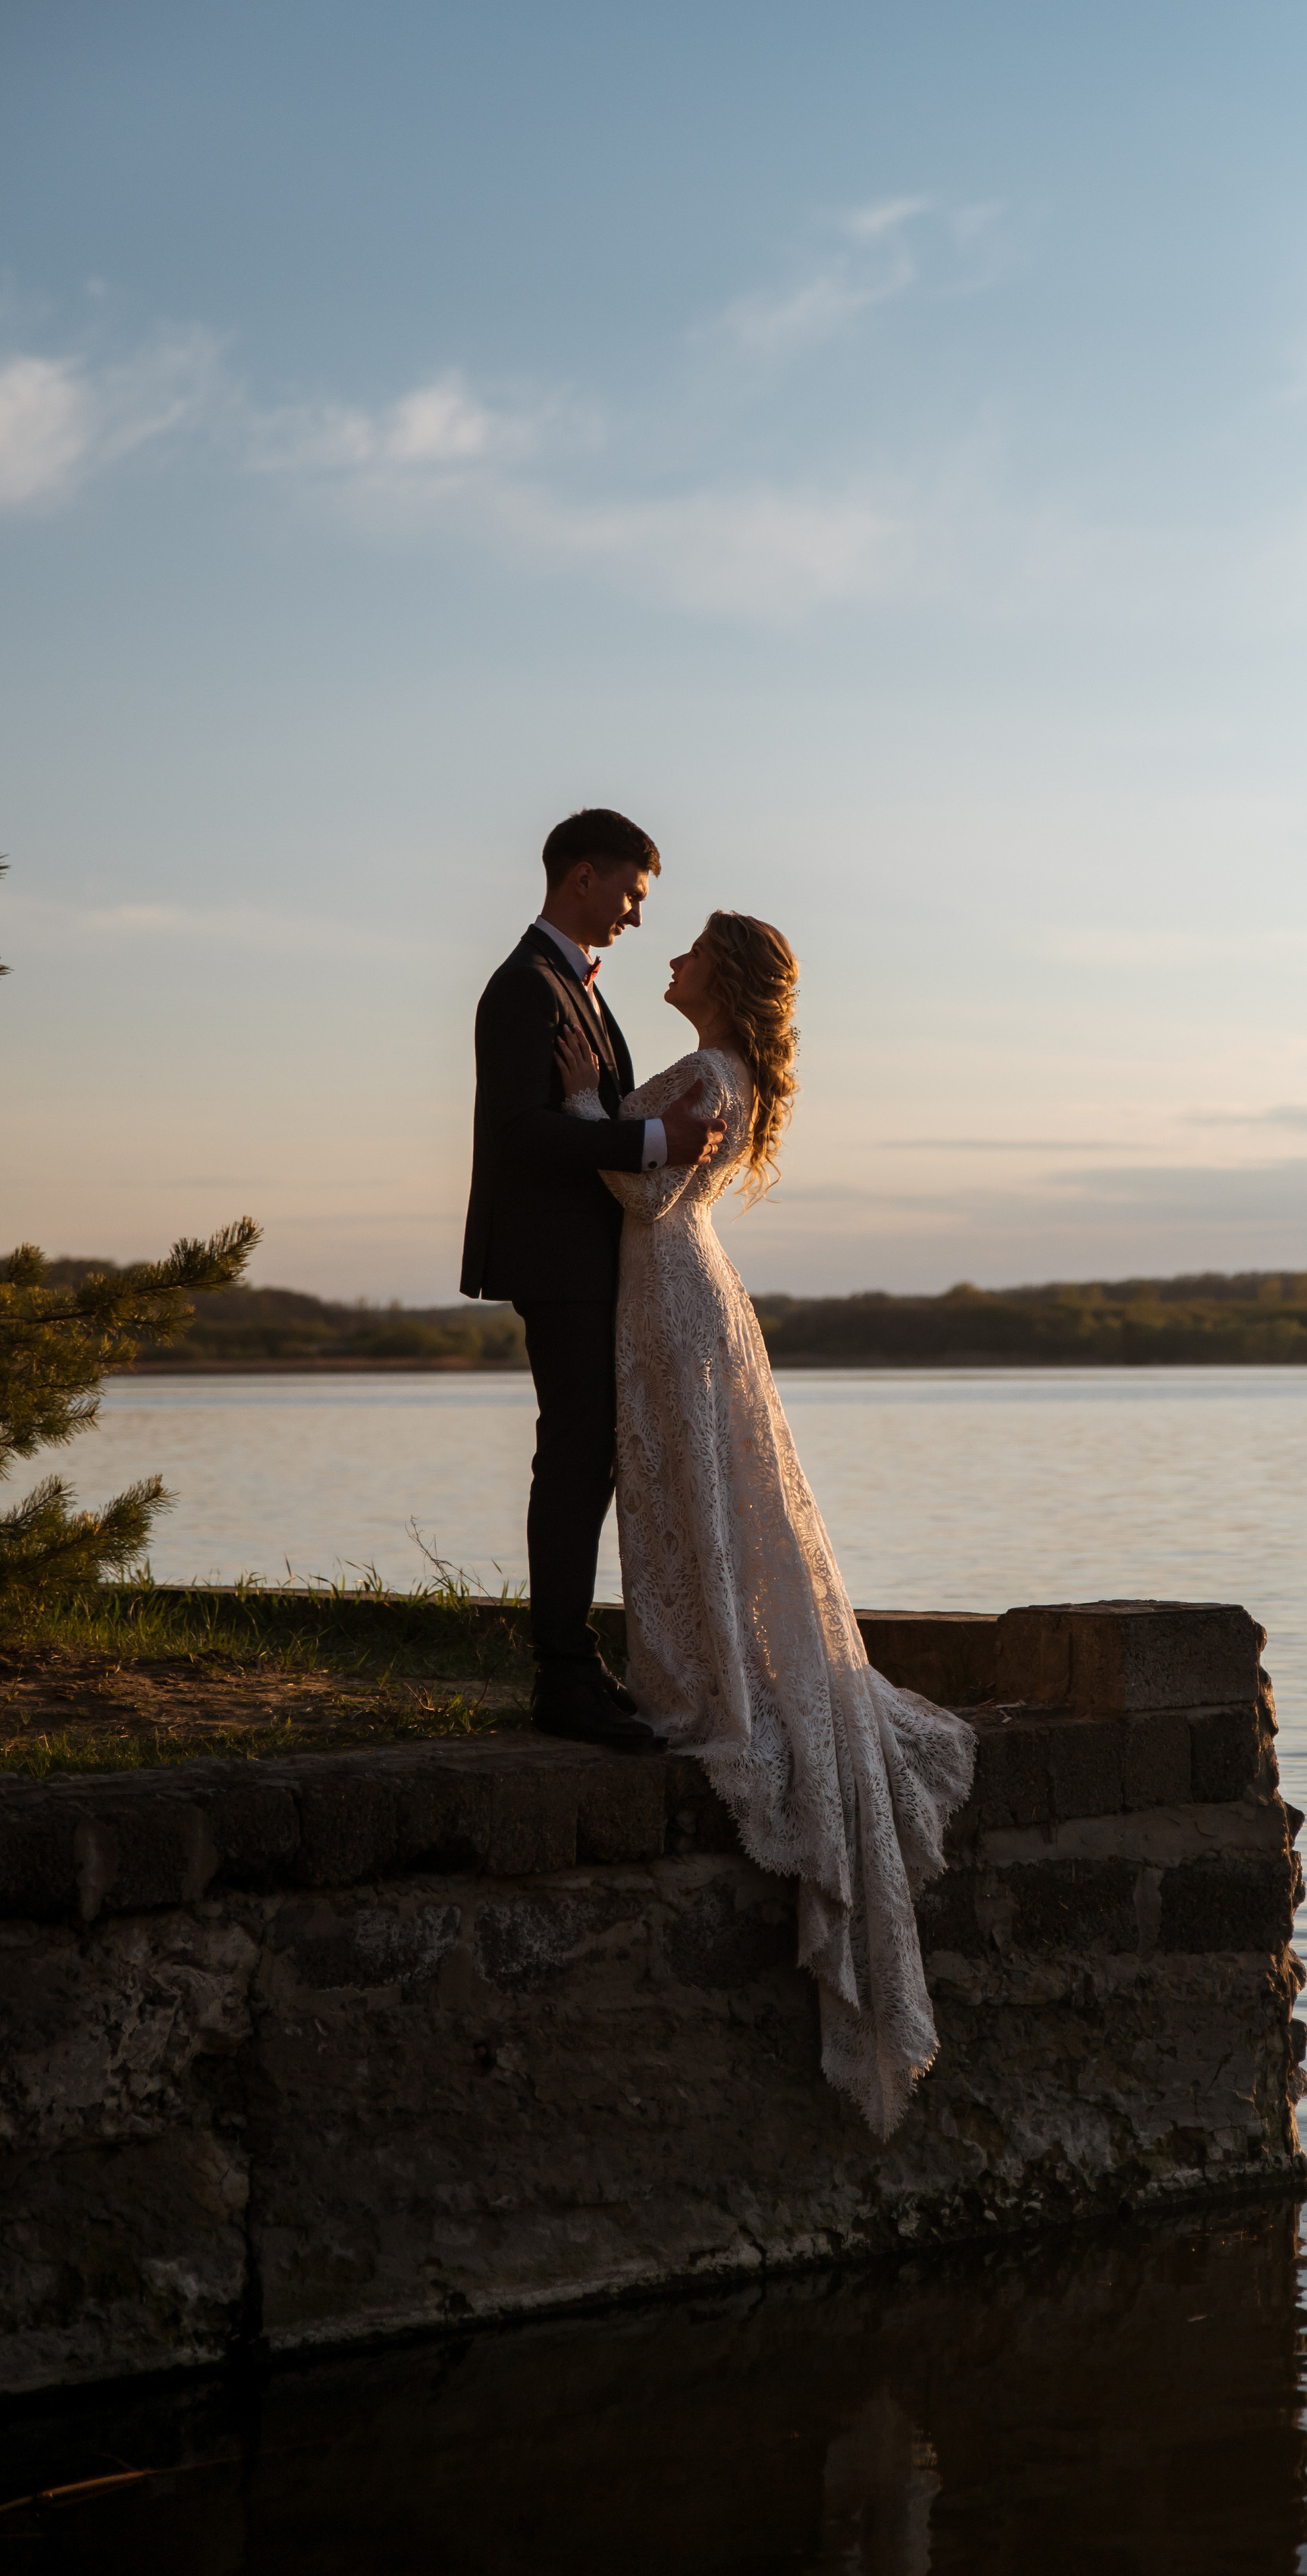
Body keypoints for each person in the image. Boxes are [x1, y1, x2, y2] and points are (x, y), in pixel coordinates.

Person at [552, 909, 976, 2139]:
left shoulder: (714, 1073)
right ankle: (697, 1662)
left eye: (690, 951)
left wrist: (586, 1106)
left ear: (726, 980)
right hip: (678, 1295)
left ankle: (709, 1680)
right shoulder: (718, 1071)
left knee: (695, 1493)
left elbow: (643, 1184)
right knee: (692, 1497)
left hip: (676, 1289)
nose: (670, 962)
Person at [461, 809, 723, 1748]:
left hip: (589, 1259)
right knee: (574, 1458)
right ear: (582, 876)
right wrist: (657, 1139)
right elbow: (520, 1135)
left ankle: (576, 1665)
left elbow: (578, 1112)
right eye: (631, 892)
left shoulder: (573, 989)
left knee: (591, 1457)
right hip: (558, 1261)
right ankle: (562, 1678)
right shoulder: (524, 989)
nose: (637, 916)